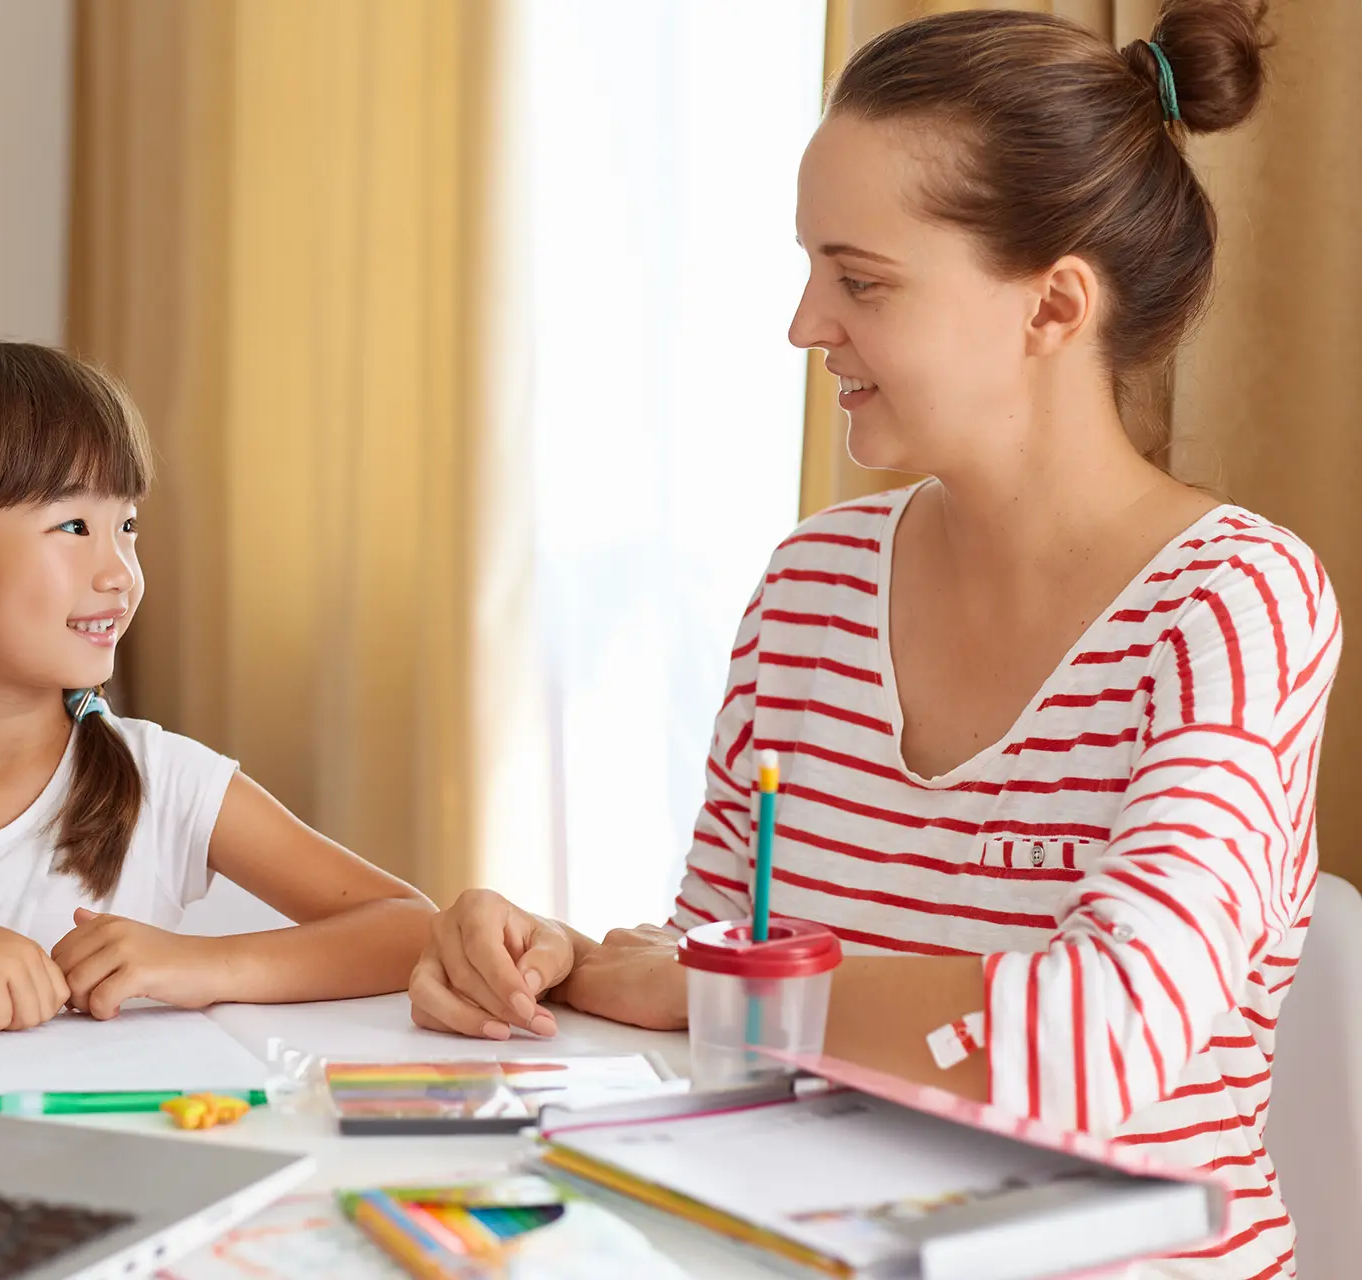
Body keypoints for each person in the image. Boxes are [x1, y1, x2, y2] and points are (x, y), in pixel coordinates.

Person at [408, 4, 1333, 1277]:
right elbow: (716, 978)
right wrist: (563, 965)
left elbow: (1100, 1038)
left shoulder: (1234, 603)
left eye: (863, 279)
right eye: (810, 269)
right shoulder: (813, 583)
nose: (804, 323)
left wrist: (708, 985)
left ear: (1053, 306)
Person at [0, 339, 433, 1032]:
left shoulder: (163, 779)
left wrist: (202, 966)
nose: (120, 572)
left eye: (126, 525)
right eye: (73, 526)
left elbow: (409, 928)